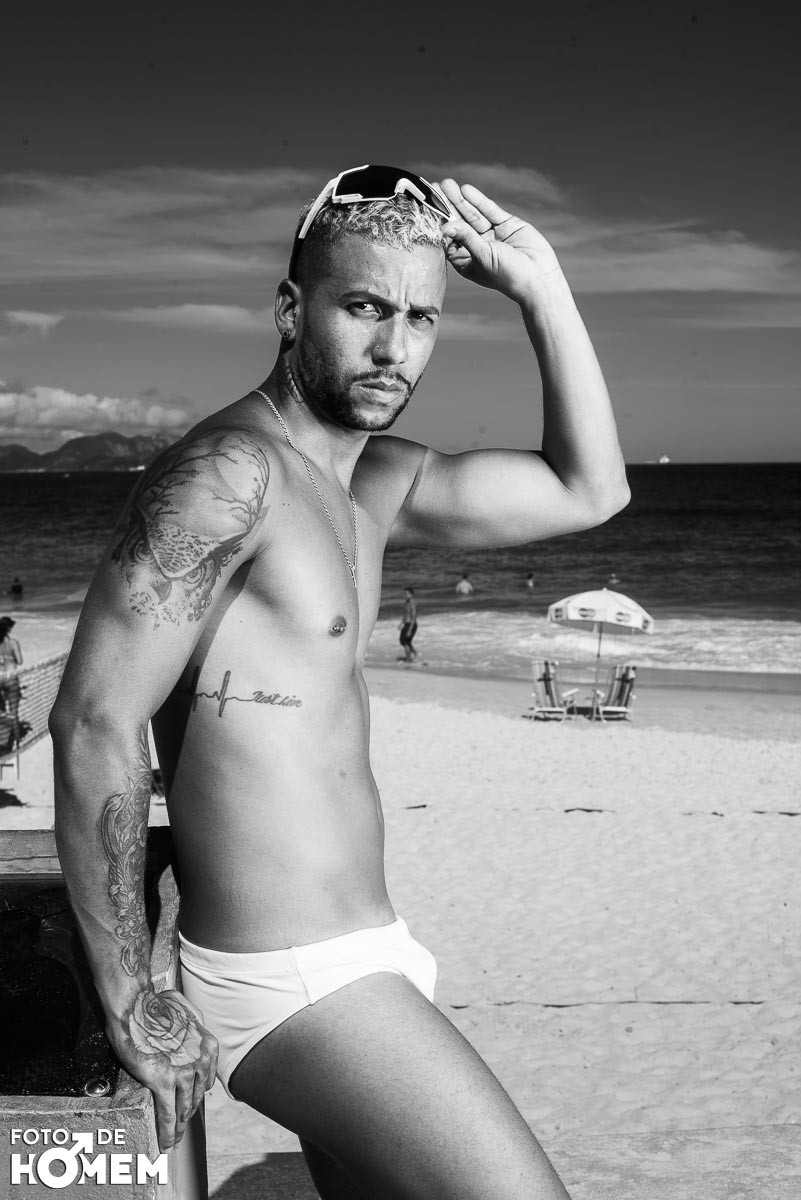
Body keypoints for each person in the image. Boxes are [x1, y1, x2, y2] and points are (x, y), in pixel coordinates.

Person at [51, 163, 629, 1199]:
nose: (394, 348)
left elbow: (590, 489)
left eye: (421, 317)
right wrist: (132, 997)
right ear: (291, 309)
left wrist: (540, 286)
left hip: (370, 948)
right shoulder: (230, 475)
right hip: (286, 977)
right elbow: (94, 720)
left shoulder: (377, 481)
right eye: (363, 307)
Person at [0, 615, 23, 748]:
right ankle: (17, 740)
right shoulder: (13, 643)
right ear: (9, 628)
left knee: (1, 712)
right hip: (11, 679)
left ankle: (3, 740)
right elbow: (19, 661)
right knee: (13, 713)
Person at [397, 587, 418, 663]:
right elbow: (405, 614)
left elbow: (414, 618)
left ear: (411, 594)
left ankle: (408, 659)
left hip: (411, 625)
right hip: (406, 624)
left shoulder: (412, 604)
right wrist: (401, 623)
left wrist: (410, 630)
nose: (405, 595)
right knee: (402, 641)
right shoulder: (406, 603)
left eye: (407, 594)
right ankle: (414, 653)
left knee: (405, 642)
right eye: (405, 594)